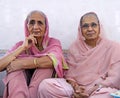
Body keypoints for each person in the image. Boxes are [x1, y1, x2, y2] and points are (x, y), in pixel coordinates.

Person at [38, 12, 120, 98]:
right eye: (85, 26)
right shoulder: (75, 47)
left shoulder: (114, 47)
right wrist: (76, 88)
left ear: (99, 27)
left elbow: (114, 79)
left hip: (99, 89)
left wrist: (91, 89)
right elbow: (70, 75)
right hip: (75, 88)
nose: (90, 29)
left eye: (93, 25)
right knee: (46, 86)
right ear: (80, 29)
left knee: (108, 94)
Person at [0, 10, 68, 98]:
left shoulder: (53, 43)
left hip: (42, 89)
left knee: (46, 67)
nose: (35, 27)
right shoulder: (20, 45)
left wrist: (21, 63)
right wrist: (22, 48)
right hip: (22, 85)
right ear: (27, 26)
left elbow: (53, 61)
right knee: (14, 71)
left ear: (46, 27)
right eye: (32, 23)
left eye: (40, 23)